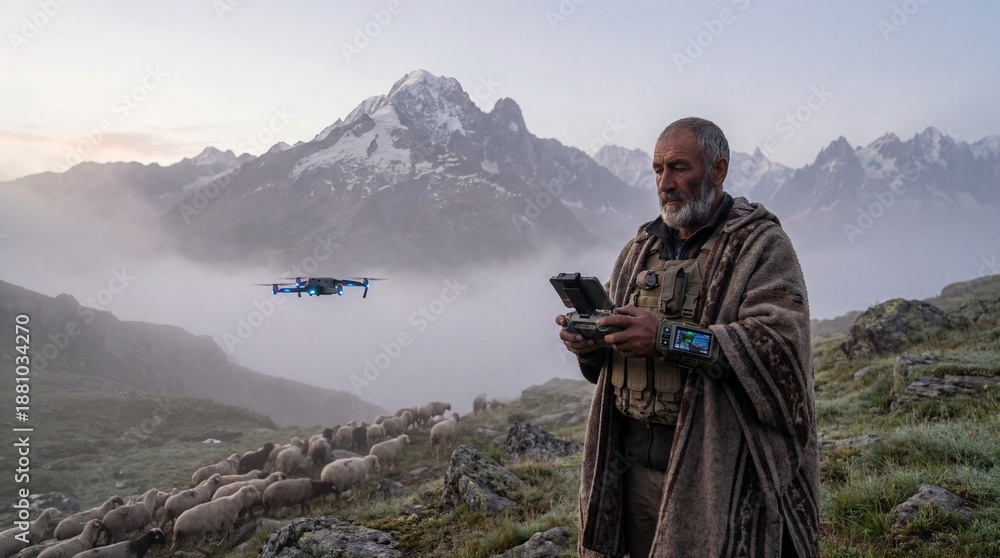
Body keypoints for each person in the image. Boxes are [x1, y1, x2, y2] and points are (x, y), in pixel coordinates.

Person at [557, 117, 819, 557]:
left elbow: (776, 348)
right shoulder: (640, 249)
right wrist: (591, 346)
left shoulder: (761, 246)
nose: (666, 182)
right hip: (633, 468)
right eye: (658, 170)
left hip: (714, 470)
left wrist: (666, 338)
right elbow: (614, 358)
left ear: (718, 170)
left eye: (679, 167)